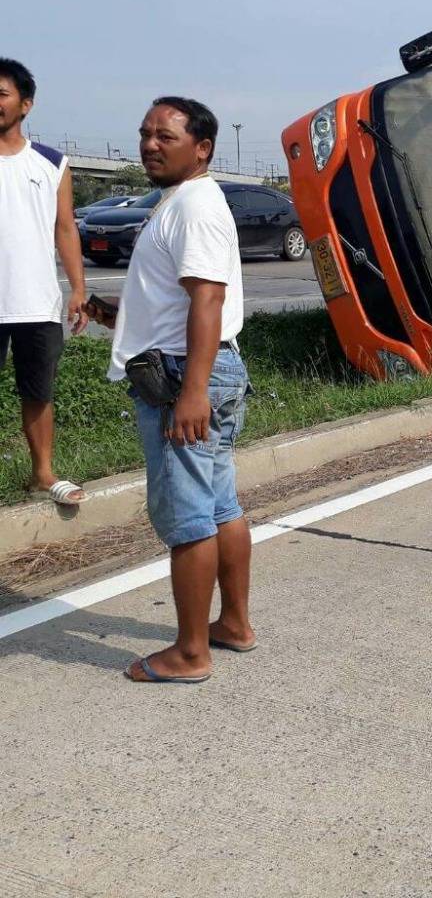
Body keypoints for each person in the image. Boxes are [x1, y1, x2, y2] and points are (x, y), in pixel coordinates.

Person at [87, 97, 255, 683]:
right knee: (219, 506)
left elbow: (207, 299)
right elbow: (176, 301)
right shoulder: (179, 202)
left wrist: (193, 393)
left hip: (189, 377)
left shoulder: (195, 206)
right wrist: (113, 315)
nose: (150, 144)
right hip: (200, 368)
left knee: (188, 518)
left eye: (166, 136)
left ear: (202, 148)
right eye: (145, 134)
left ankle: (189, 653)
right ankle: (232, 624)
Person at [0, 57, 90, 506]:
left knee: (38, 391)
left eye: (1, 95)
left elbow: (65, 228)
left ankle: (42, 474)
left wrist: (77, 288)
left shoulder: (52, 162)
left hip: (35, 301)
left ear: (25, 104)